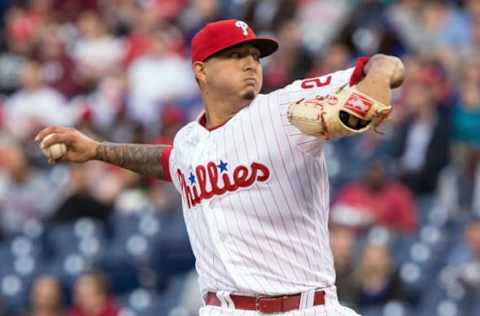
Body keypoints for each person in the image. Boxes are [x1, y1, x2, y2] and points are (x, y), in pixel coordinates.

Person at [35, 19, 404, 315]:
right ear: (202, 71)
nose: (250, 63)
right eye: (235, 54)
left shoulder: (281, 109)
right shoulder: (188, 142)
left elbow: (386, 64)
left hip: (305, 306)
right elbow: (170, 162)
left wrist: (373, 89)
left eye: (255, 56)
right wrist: (98, 150)